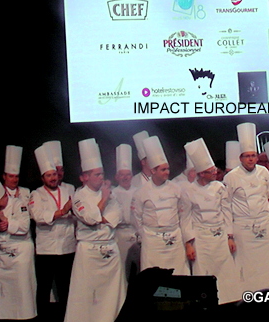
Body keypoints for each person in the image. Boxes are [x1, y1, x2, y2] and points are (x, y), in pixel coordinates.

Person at [64, 139, 127, 322]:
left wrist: (101, 215)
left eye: (102, 174)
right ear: (85, 177)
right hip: (89, 252)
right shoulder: (79, 196)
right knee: (88, 294)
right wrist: (104, 201)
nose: (101, 178)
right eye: (97, 174)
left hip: (110, 249)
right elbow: (90, 218)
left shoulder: (109, 193)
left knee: (113, 293)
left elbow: (118, 216)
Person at [181, 138, 239, 305]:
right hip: (202, 239)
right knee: (204, 274)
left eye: (214, 170)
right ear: (201, 174)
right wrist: (189, 244)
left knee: (226, 274)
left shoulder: (219, 188)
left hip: (220, 237)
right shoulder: (189, 191)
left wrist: (230, 236)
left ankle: (228, 303)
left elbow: (226, 212)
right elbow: (186, 218)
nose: (215, 173)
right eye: (211, 171)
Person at [223, 122, 269, 292]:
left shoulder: (264, 172)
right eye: (247, 156)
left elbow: (267, 195)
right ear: (240, 158)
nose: (251, 159)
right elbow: (226, 207)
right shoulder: (231, 177)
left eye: (253, 155)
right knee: (246, 267)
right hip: (243, 229)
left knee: (267, 264)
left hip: (264, 225)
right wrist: (229, 235)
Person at [0, 172, 37, 320]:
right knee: (5, 293)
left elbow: (24, 226)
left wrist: (8, 223)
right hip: (4, 255)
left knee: (23, 291)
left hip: (21, 252)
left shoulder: (19, 204)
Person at [131, 136, 191, 275]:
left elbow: (183, 214)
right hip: (152, 242)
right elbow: (136, 218)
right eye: (163, 170)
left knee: (178, 274)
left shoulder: (176, 189)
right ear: (153, 171)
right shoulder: (141, 192)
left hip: (174, 240)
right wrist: (146, 236)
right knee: (153, 276)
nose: (167, 172)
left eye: (168, 169)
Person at [31, 144, 76, 319]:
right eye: (48, 175)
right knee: (44, 287)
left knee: (65, 287)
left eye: (54, 175)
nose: (53, 178)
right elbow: (38, 216)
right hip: (46, 249)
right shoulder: (36, 194)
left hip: (67, 247)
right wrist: (62, 211)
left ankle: (67, 318)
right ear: (42, 178)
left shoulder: (69, 190)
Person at [112, 144, 141, 280]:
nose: (125, 177)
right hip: (119, 236)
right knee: (122, 271)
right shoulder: (112, 193)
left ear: (132, 176)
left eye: (128, 174)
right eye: (122, 175)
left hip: (136, 234)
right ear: (117, 177)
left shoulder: (138, 192)